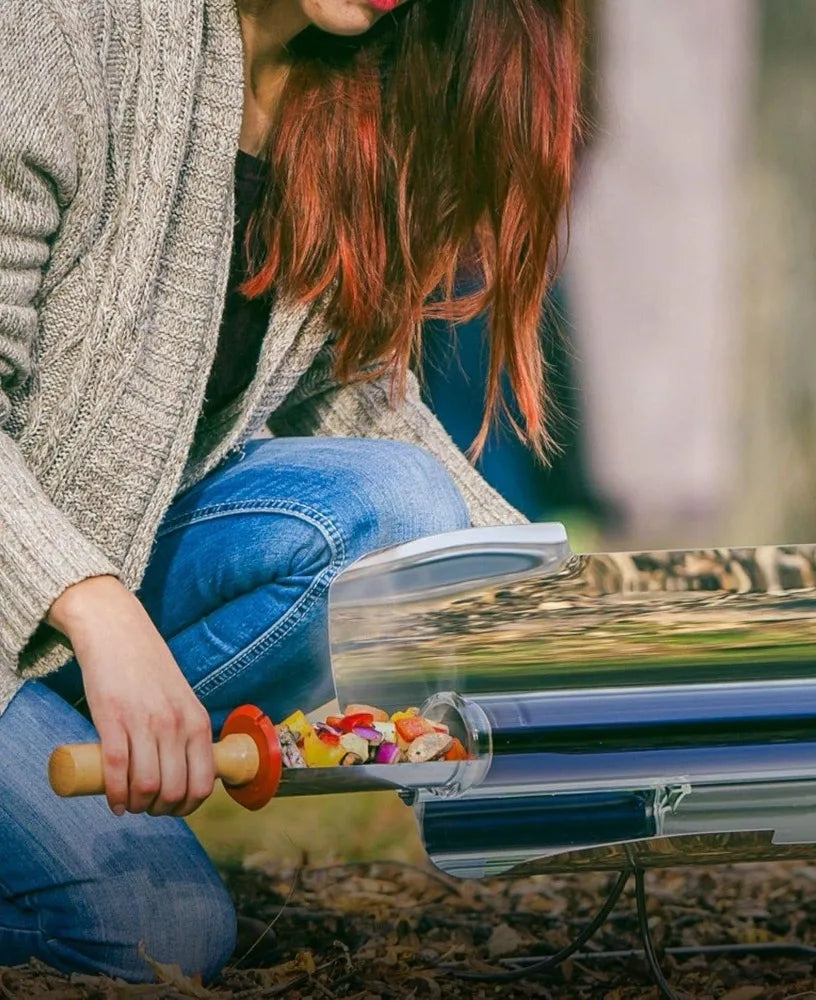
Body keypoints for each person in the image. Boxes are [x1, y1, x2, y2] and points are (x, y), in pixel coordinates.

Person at [0, 0, 582, 981]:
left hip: (54, 608)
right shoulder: (63, 30)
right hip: (64, 591)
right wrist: (92, 604)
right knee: (164, 933)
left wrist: (544, 612)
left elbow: (345, 398)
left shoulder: (336, 88)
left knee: (401, 521)